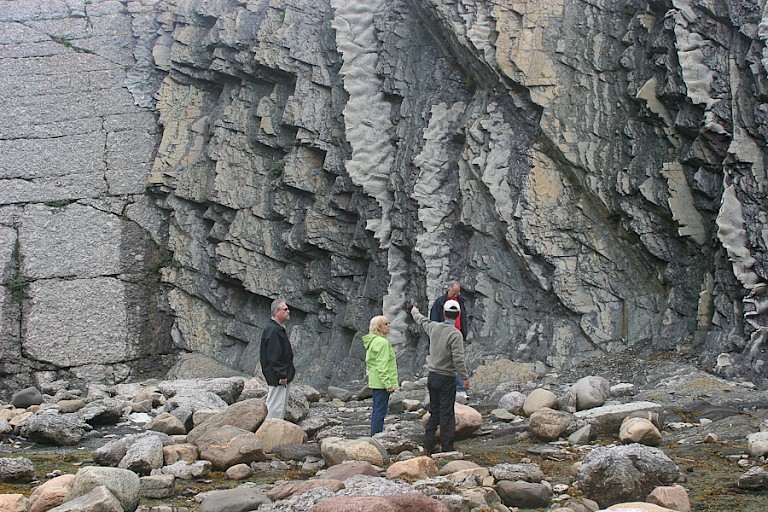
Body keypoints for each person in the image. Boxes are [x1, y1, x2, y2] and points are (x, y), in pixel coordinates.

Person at [411, 299, 470, 454]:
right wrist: (464, 377)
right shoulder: (455, 334)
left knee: (434, 411)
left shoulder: (434, 327)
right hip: (447, 378)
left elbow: (422, 320)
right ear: (458, 316)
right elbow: (458, 359)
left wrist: (414, 312)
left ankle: (428, 444)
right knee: (447, 413)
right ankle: (447, 447)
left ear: (444, 313)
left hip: (432, 377)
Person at [429, 280, 469, 399]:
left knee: (458, 359)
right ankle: (456, 388)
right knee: (449, 362)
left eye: (458, 292)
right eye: (454, 292)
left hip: (457, 335)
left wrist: (463, 333)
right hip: (444, 336)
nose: (456, 295)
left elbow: (463, 319)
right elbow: (433, 320)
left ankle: (459, 388)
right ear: (449, 289)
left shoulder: (460, 301)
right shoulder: (440, 302)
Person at [362, 315, 399, 436]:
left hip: (375, 381)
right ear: (378, 327)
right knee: (380, 410)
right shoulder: (382, 343)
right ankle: (376, 435)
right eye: (386, 324)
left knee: (377, 409)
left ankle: (374, 433)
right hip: (382, 383)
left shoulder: (373, 341)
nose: (389, 326)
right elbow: (382, 365)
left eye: (388, 323)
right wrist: (388, 383)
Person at [260, 298, 295, 420]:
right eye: (285, 309)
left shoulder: (277, 328)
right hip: (277, 377)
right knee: (275, 407)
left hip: (281, 374)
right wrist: (281, 375)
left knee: (280, 407)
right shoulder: (273, 330)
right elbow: (274, 356)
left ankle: (276, 431)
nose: (288, 311)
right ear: (276, 312)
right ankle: (269, 432)